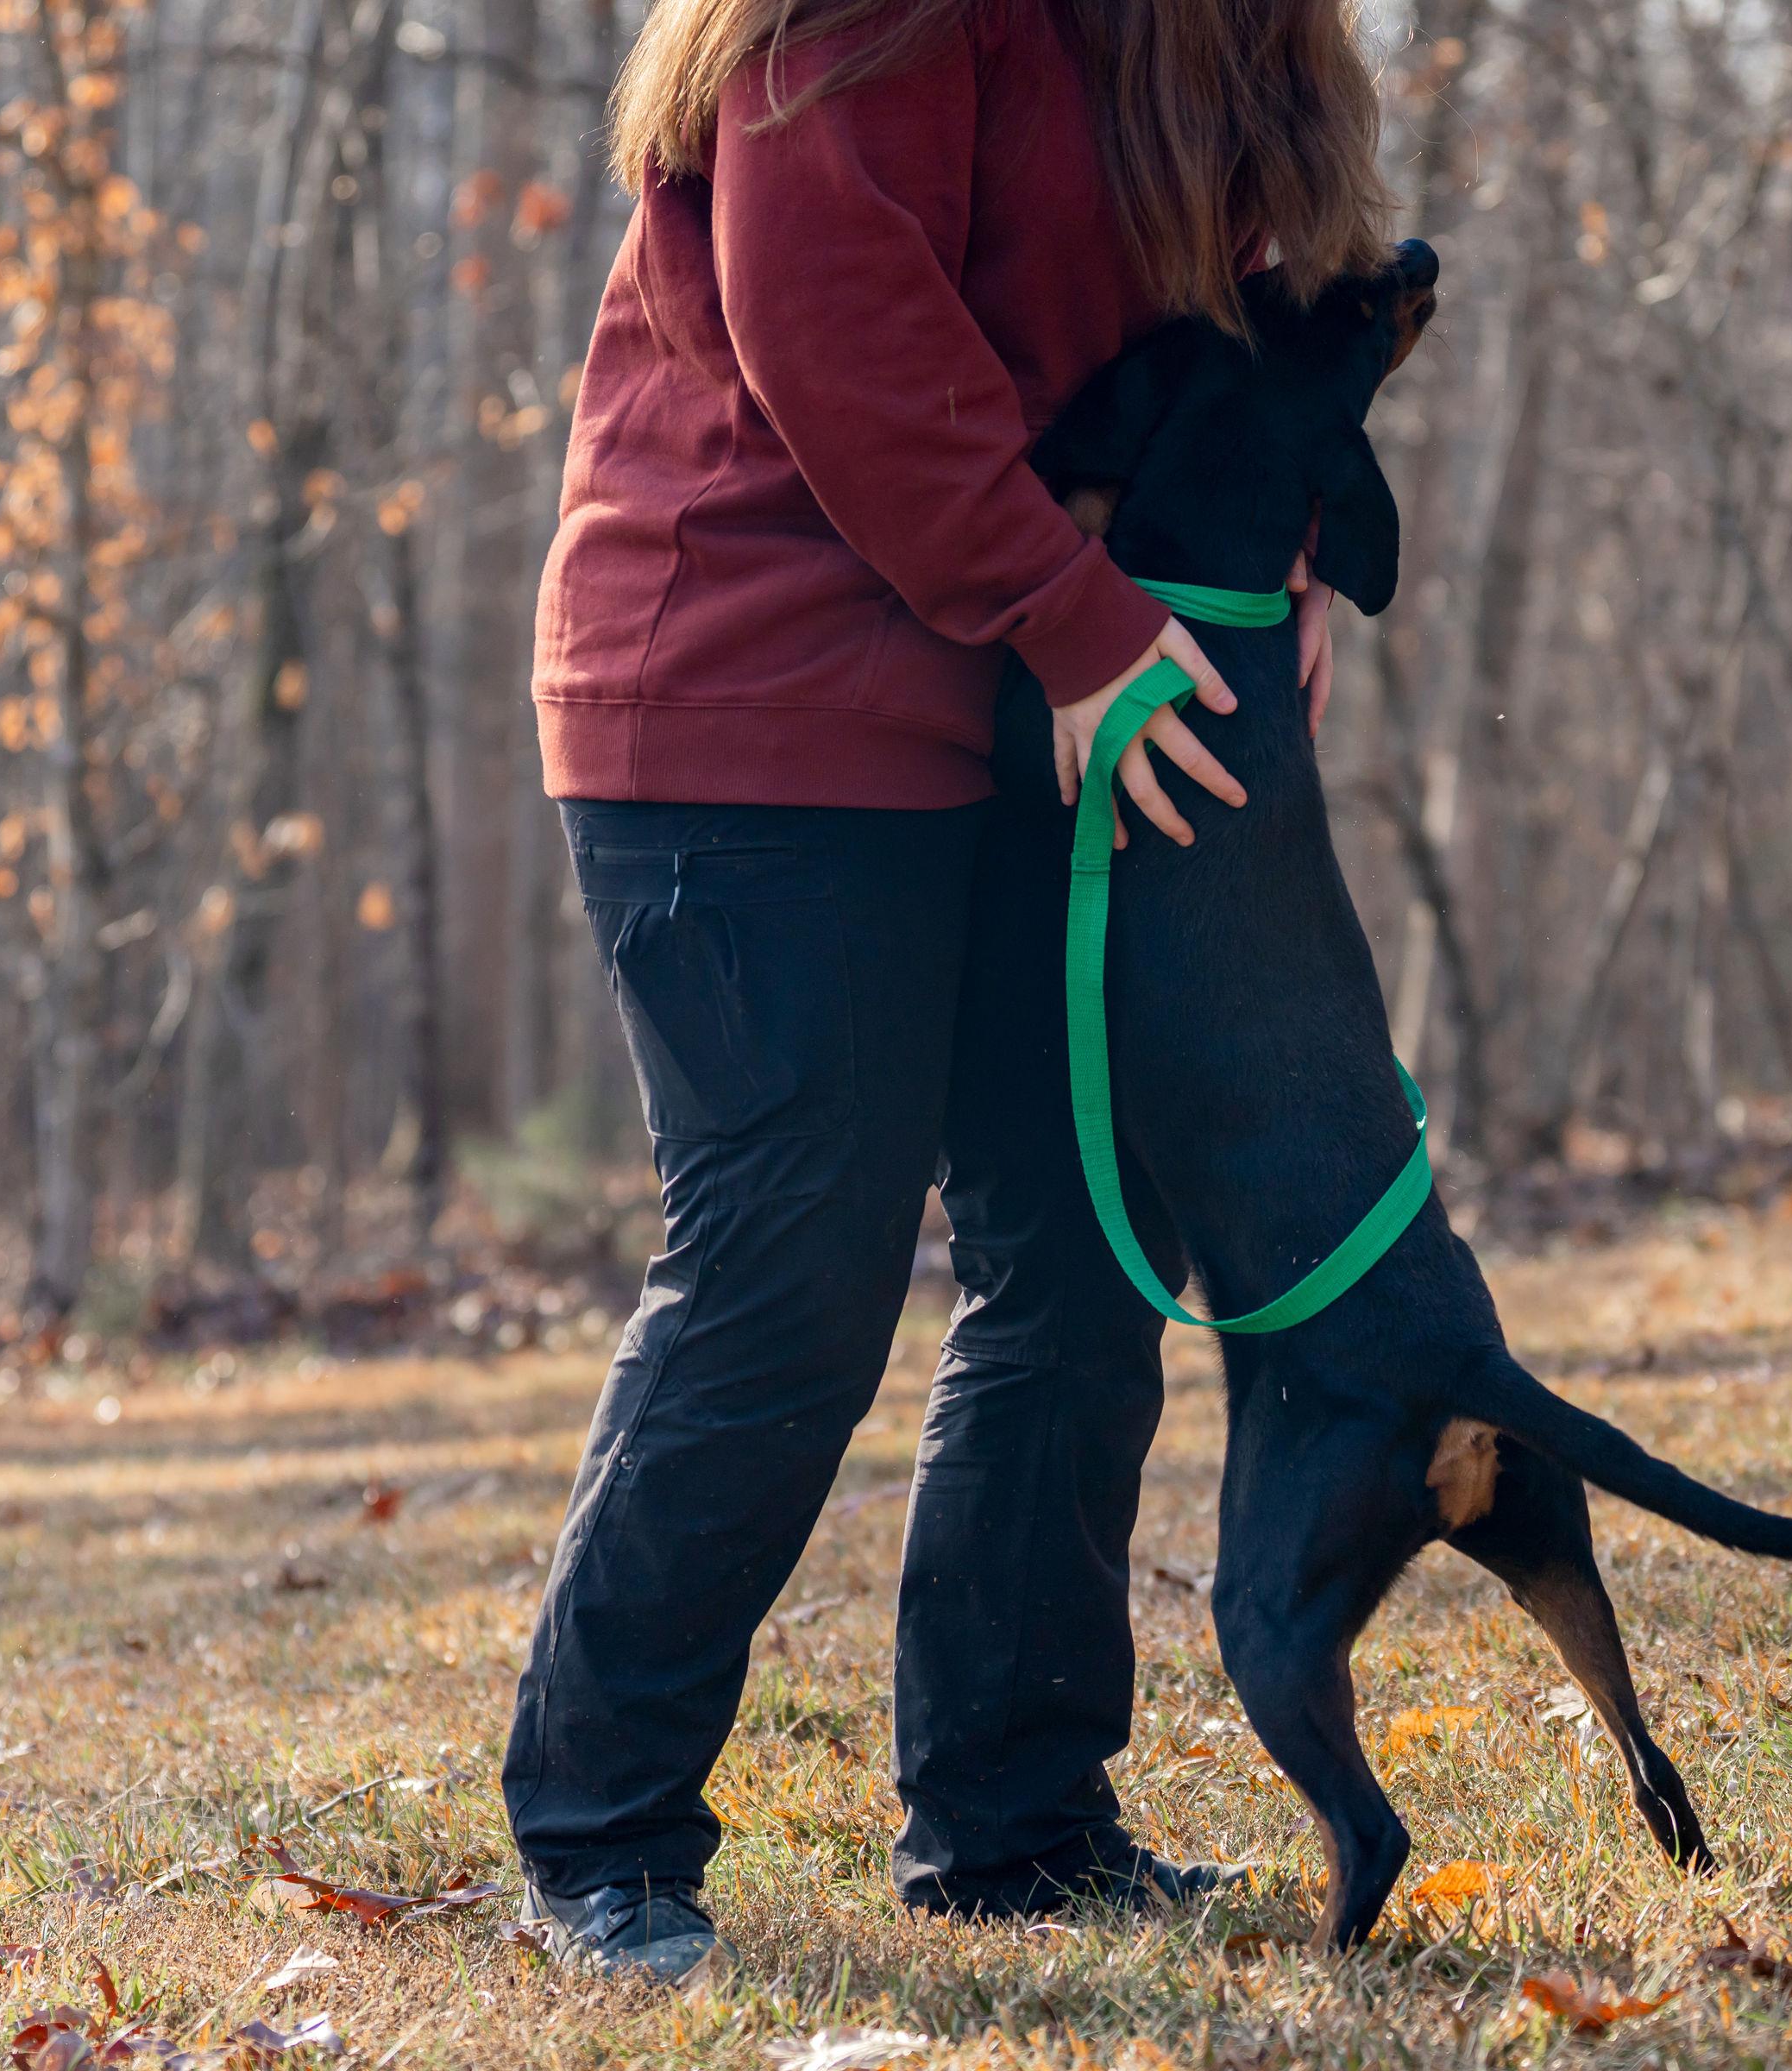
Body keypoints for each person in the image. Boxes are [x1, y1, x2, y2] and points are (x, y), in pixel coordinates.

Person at [502, 0, 1392, 1985]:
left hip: (1020, 694)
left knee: (1083, 1249)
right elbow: (836, 324)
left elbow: (1232, 323)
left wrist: (1278, 552)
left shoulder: (1193, 30)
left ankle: (1013, 1822)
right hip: (752, 688)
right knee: (794, 1271)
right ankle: (600, 1832)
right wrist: (1078, 619)